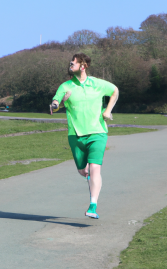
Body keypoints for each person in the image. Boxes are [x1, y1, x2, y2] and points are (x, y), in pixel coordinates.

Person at [50, 53, 119, 219]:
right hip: (76, 135)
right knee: (83, 170)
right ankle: (86, 174)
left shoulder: (97, 84)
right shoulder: (65, 86)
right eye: (70, 63)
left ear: (83, 66)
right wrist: (57, 104)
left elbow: (115, 91)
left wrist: (107, 110)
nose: (70, 65)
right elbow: (55, 103)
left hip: (97, 132)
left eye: (73, 63)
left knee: (95, 167)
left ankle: (93, 205)